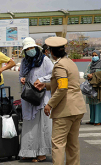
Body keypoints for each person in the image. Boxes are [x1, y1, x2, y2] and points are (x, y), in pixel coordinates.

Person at [35, 37, 87, 165]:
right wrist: (46, 85)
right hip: (77, 108)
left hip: (65, 110)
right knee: (73, 144)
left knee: (58, 144)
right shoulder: (70, 62)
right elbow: (67, 84)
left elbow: (63, 88)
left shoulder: (60, 66)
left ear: (51, 52)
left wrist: (49, 104)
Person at [18, 37, 53, 162]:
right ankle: (29, 151)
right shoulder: (24, 62)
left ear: (36, 48)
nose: (29, 51)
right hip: (29, 97)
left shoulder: (45, 60)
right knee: (29, 124)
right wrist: (22, 78)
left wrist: (42, 80)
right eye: (27, 49)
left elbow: (53, 74)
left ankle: (42, 153)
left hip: (42, 97)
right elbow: (21, 74)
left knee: (43, 125)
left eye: (31, 48)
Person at [84, 50, 101, 125]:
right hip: (90, 87)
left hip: (98, 87)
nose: (94, 57)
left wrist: (95, 75)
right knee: (91, 104)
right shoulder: (90, 64)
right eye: (93, 55)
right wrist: (88, 75)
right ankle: (92, 119)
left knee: (98, 103)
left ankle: (98, 120)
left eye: (95, 55)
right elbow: (85, 74)